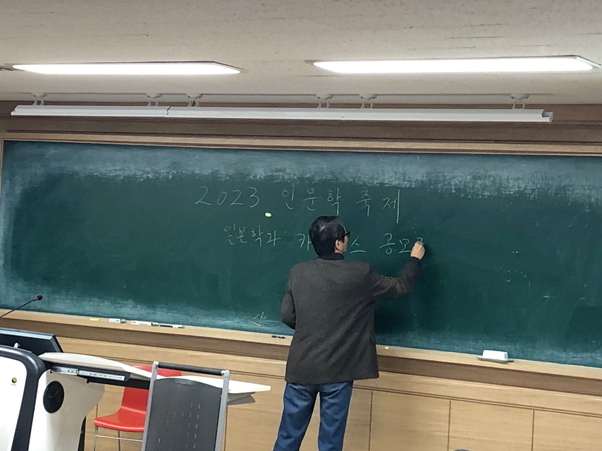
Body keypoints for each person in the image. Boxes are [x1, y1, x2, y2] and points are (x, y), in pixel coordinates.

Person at [273, 215, 425, 451]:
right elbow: (400, 286)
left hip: (301, 368)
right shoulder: (360, 273)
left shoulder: (298, 272)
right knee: (330, 443)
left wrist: (313, 328)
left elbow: (287, 316)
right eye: (346, 236)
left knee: (287, 438)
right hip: (339, 369)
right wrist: (414, 260)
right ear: (338, 243)